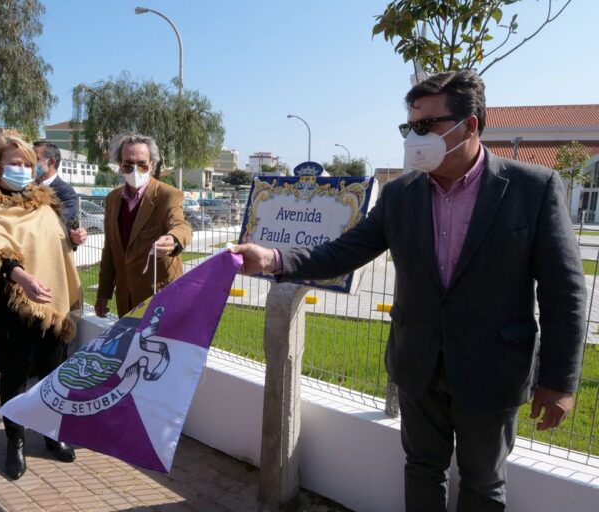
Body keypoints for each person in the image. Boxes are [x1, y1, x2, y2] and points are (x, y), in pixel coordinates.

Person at [231, 70, 586, 511]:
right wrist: (275, 260)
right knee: (421, 469)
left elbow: (565, 291)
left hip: (492, 370)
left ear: (469, 125)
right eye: (409, 126)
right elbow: (346, 250)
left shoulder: (533, 189)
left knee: (483, 482)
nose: (414, 136)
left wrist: (559, 382)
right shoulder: (401, 194)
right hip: (417, 364)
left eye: (426, 125)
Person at [0, 133, 84, 480]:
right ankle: (14, 440)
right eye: (13, 164)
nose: (21, 169)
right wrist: (23, 279)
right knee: (15, 375)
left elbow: (51, 245)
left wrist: (72, 240)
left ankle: (51, 434)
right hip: (13, 302)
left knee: (53, 373)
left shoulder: (43, 201)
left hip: (50, 301)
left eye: (26, 164)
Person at [95, 133, 192, 318]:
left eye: (142, 164)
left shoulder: (168, 195)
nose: (135, 170)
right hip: (125, 299)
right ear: (120, 166)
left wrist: (173, 239)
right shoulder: (112, 200)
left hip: (159, 297)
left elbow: (181, 224)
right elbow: (110, 250)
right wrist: (103, 294)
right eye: (128, 164)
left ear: (152, 165)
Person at [33, 141, 78, 228]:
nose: (31, 163)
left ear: (51, 162)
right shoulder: (27, 186)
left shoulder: (66, 191)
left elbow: (59, 222)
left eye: (36, 159)